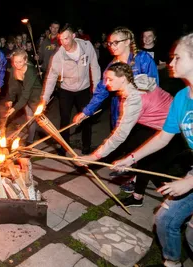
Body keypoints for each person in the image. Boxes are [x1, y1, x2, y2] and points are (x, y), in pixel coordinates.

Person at [112, 32, 193, 267]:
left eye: (177, 58)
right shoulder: (181, 97)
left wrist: (189, 182)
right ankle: (172, 262)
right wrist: (130, 159)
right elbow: (163, 138)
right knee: (165, 220)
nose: (171, 63)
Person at [77, 63, 183, 207]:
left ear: (123, 79)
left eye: (110, 79)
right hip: (159, 125)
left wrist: (93, 157)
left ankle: (178, 205)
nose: (106, 83)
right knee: (138, 152)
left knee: (155, 169)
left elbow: (120, 135)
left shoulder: (134, 99)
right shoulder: (136, 83)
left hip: (176, 131)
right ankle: (137, 194)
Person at [41, 24, 101, 155]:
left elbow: (95, 67)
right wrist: (44, 99)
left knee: (86, 118)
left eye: (66, 39)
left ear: (73, 36)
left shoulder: (87, 47)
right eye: (61, 39)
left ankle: (86, 146)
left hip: (83, 89)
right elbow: (51, 77)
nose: (63, 42)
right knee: (64, 118)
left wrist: (96, 89)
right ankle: (64, 146)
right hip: (66, 90)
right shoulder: (59, 55)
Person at [5, 49, 42, 145]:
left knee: (39, 118)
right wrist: (10, 99)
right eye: (15, 62)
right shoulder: (14, 69)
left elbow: (27, 93)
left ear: (25, 61)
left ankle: (37, 137)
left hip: (35, 96)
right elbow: (12, 85)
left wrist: (14, 108)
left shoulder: (30, 72)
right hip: (24, 94)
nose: (17, 64)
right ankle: (30, 139)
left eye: (20, 62)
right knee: (29, 117)